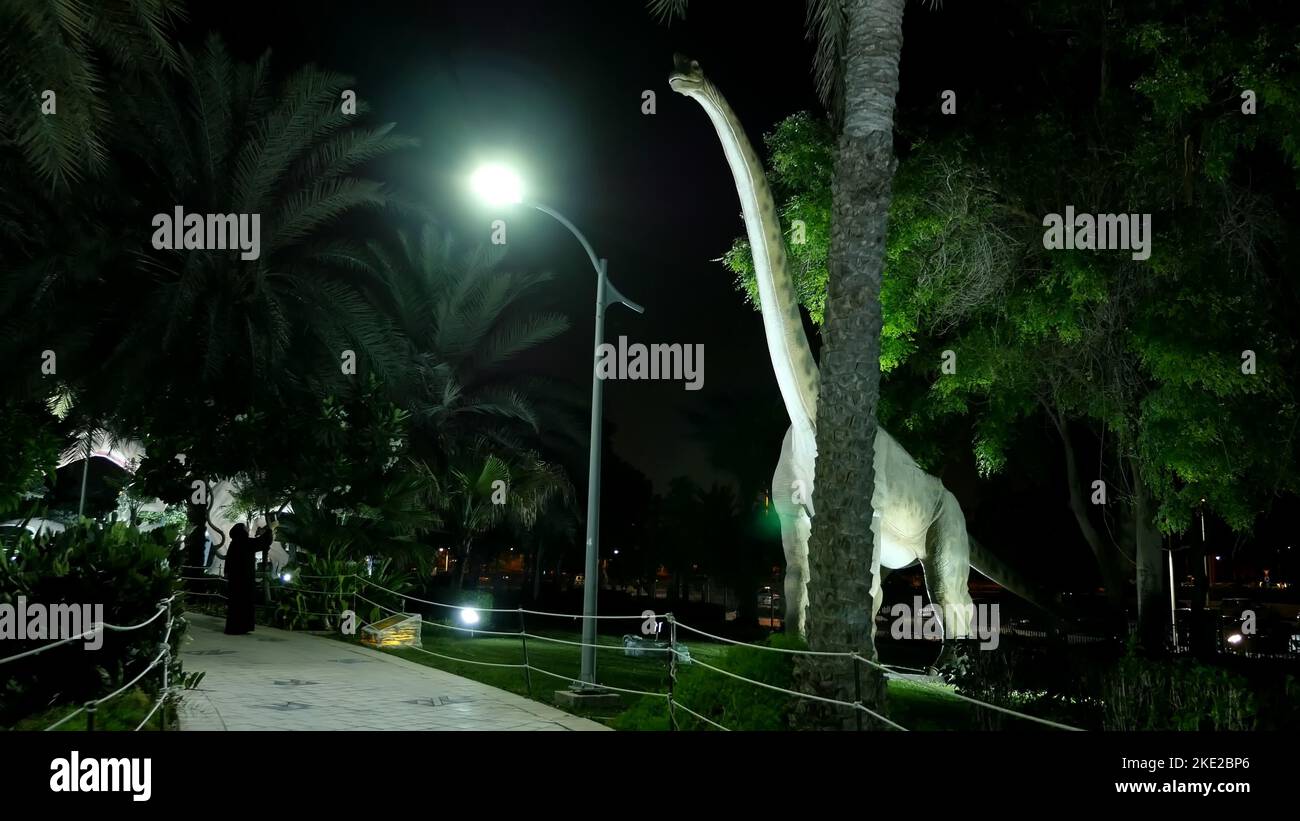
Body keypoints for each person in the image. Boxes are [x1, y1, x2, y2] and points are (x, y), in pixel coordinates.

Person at [223, 521, 273, 635]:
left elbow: (228, 561)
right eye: (245, 528)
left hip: (235, 580)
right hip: (244, 579)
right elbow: (262, 542)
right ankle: (241, 627)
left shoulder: (234, 543)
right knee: (243, 602)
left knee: (236, 604)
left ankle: (235, 627)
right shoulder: (244, 542)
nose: (247, 529)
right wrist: (268, 531)